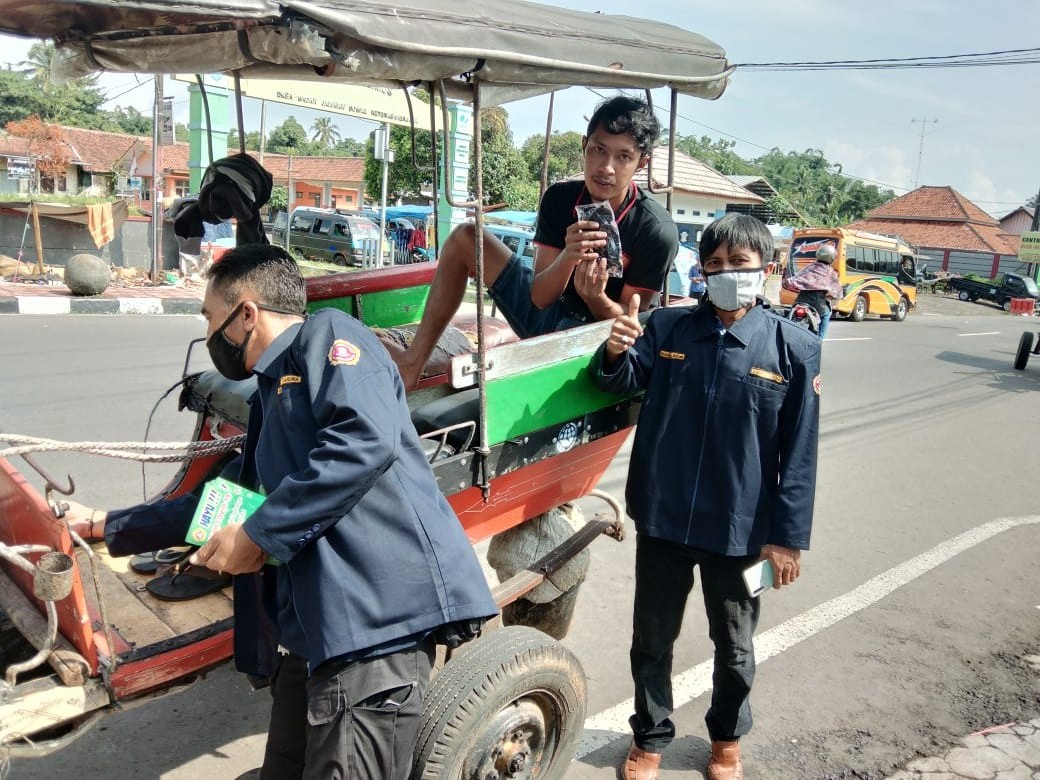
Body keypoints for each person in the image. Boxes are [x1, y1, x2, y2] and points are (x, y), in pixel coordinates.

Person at [64, 244, 498, 780]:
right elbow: (226, 503)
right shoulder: (269, 394)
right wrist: (106, 526)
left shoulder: (330, 337)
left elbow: (363, 439)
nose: (207, 334)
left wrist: (259, 536)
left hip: (375, 626)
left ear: (246, 313)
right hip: (316, 631)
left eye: (209, 317)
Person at [589, 214, 821, 780]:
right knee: (651, 638)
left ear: (765, 270)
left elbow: (801, 453)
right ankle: (649, 738)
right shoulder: (667, 329)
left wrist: (786, 541)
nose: (725, 274)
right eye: (714, 264)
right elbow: (617, 382)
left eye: (738, 265)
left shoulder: (796, 347)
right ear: (701, 271)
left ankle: (726, 739)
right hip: (663, 521)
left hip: (744, 534)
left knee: (736, 642)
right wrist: (617, 350)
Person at [394, 94, 678, 389]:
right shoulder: (560, 199)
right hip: (547, 314)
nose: (606, 167)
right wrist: (568, 255)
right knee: (466, 236)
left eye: (623, 157)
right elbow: (540, 297)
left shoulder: (656, 230)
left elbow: (632, 327)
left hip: (598, 343)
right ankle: (413, 363)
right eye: (598, 150)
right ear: (584, 146)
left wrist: (596, 298)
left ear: (641, 163)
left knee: (616, 337)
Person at [781, 243, 843, 339]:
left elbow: (796, 279)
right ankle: (820, 339)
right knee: (827, 314)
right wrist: (835, 295)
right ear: (831, 258)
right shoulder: (831, 272)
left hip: (801, 300)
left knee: (790, 313)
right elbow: (836, 290)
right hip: (818, 303)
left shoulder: (810, 267)